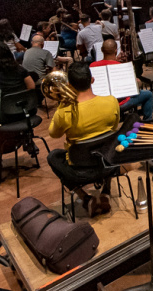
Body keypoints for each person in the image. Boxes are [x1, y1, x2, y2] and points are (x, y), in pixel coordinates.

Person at [46, 62, 121, 216]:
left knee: (53, 156)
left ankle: (85, 198)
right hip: (108, 164)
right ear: (92, 80)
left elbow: (53, 134)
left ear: (69, 85)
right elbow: (113, 129)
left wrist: (62, 104)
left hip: (79, 170)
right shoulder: (112, 101)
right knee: (109, 144)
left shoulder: (65, 112)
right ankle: (106, 191)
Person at [90, 38, 153, 121]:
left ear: (102, 50)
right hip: (120, 104)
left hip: (100, 104)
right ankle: (148, 122)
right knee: (148, 94)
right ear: (116, 51)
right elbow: (135, 87)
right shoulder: (120, 66)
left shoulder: (92, 65)